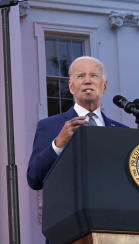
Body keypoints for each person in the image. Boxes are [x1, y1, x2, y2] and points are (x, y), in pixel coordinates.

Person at [27, 55, 126, 190]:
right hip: (70, 207)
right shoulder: (49, 126)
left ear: (104, 86)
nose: (87, 81)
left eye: (94, 75)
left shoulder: (122, 131)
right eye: (80, 76)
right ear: (71, 87)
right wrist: (59, 143)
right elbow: (34, 179)